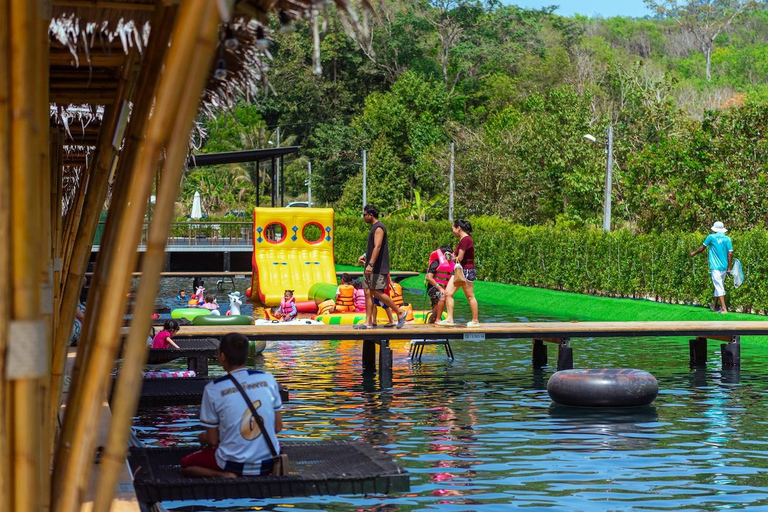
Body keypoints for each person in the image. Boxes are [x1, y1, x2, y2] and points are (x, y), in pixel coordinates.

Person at [181, 333, 283, 478]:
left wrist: (202, 437)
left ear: (221, 356)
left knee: (186, 464)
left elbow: (212, 440)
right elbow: (277, 427)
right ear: (248, 353)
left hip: (232, 464)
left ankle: (221, 475)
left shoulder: (213, 389)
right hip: (268, 461)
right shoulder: (268, 379)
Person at [355, 205, 406, 329]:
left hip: (377, 267)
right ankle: (368, 322)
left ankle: (399, 312)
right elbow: (373, 248)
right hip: (371, 266)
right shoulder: (373, 228)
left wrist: (371, 264)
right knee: (368, 292)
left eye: (364, 214)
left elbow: (377, 247)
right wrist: (366, 258)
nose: (363, 217)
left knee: (377, 292)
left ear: (370, 215)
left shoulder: (379, 228)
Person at [439, 219, 480, 327]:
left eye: (453, 228)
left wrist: (451, 258)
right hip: (459, 270)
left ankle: (475, 321)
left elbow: (459, 258)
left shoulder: (465, 240)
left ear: (458, 228)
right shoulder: (463, 239)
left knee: (470, 296)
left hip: (466, 270)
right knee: (448, 293)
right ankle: (450, 319)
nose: (452, 230)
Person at [690, 221, 734, 313]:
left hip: (715, 266)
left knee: (719, 286)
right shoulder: (727, 239)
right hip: (724, 266)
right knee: (718, 285)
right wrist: (729, 267)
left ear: (714, 229)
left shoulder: (711, 237)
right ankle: (714, 306)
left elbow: (702, 248)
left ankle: (723, 308)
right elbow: (730, 253)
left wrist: (694, 253)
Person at [425, 245, 454, 324]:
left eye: (450, 255)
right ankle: (438, 319)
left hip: (444, 288)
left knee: (447, 296)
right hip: (434, 288)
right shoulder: (436, 262)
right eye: (447, 254)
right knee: (442, 296)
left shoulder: (452, 264)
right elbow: (429, 277)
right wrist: (440, 288)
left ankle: (436, 317)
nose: (448, 257)